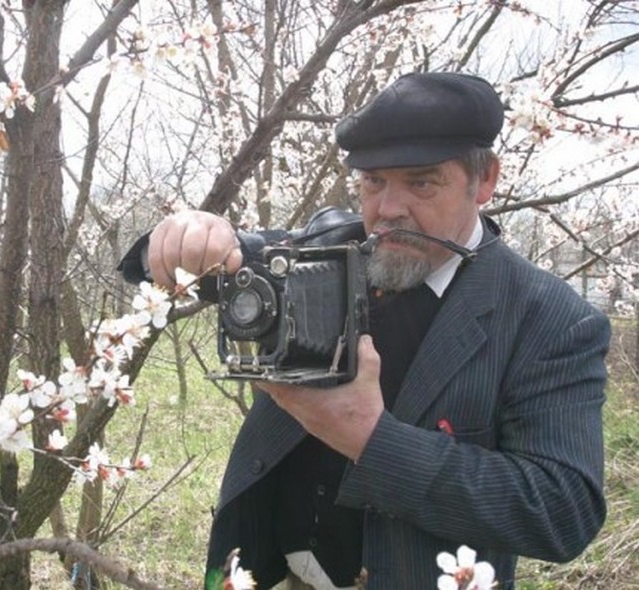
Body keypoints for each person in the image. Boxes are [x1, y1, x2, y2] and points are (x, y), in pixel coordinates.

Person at [119, 72, 609, 589]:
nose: (388, 209)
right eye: (374, 182)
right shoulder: (323, 251)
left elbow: (562, 512)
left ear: (484, 179)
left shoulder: (550, 318)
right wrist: (186, 236)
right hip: (265, 569)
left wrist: (372, 440)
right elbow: (204, 262)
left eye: (421, 182)